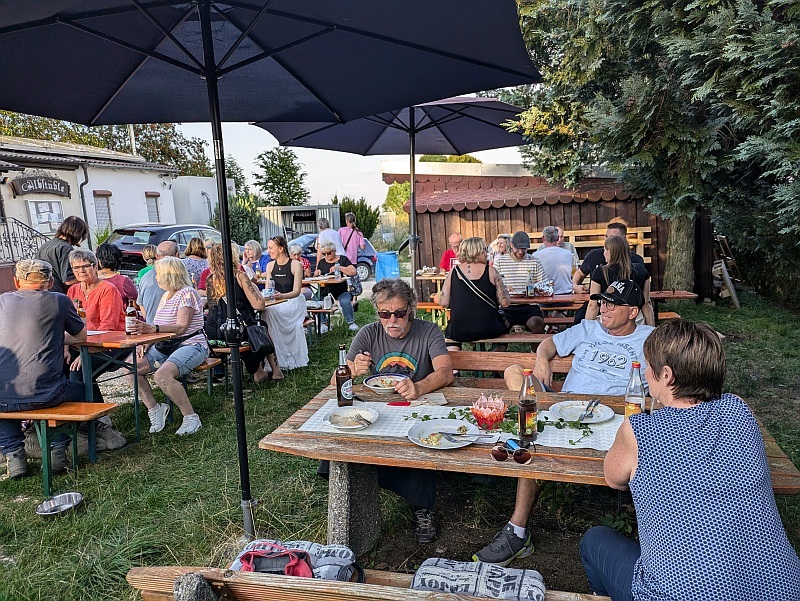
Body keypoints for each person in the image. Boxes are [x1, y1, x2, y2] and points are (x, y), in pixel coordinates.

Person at [581, 318, 800, 601]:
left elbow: (613, 479)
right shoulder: (739, 410)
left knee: (594, 540)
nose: (645, 373)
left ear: (666, 375)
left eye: (648, 365)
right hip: (783, 590)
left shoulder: (638, 430)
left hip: (677, 595)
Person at [475, 280, 654, 566]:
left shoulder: (650, 339)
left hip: (614, 419)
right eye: (602, 302)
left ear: (633, 312)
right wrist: (542, 360)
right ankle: (517, 530)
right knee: (514, 373)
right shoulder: (588, 328)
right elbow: (549, 344)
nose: (603, 309)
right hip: (563, 410)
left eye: (612, 304)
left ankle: (655, 543)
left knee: (531, 438)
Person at [323, 278, 454, 543]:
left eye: (399, 313)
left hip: (415, 408)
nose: (392, 320)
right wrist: (352, 371)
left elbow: (446, 372)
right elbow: (333, 383)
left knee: (421, 443)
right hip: (379, 411)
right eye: (385, 314)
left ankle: (421, 507)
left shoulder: (428, 331)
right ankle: (379, 484)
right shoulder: (368, 334)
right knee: (332, 454)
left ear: (410, 310)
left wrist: (419, 387)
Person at [0, 259, 86, 478]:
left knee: (4, 399)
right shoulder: (59, 300)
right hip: (46, 395)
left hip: (4, 396)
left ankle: (14, 454)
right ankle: (57, 447)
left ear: (17, 281)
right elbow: (81, 336)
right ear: (49, 282)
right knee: (81, 391)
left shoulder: (2, 301)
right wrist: (55, 338)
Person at [127, 257, 208, 435]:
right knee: (130, 368)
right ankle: (155, 408)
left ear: (169, 275)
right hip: (165, 344)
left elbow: (181, 327)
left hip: (191, 343)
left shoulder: (187, 293)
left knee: (162, 375)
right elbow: (160, 327)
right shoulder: (166, 295)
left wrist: (152, 329)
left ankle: (191, 417)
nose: (156, 278)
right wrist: (147, 342)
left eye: (158, 274)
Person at [205, 243, 279, 383]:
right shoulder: (239, 276)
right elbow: (259, 305)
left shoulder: (210, 280)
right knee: (260, 327)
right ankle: (267, 372)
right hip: (236, 332)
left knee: (253, 328)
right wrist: (254, 288)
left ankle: (259, 370)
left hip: (214, 334)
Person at [65, 249, 127, 403]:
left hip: (111, 343)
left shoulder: (108, 289)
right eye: (76, 267)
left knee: (79, 371)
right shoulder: (73, 290)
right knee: (56, 366)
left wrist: (86, 353)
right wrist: (65, 348)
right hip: (82, 344)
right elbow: (66, 324)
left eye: (85, 266)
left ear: (95, 266)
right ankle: (70, 414)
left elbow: (108, 327)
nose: (81, 271)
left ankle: (97, 415)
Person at [437, 236, 510, 350]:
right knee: (506, 324)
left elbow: (444, 302)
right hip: (489, 328)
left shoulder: (454, 272)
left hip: (460, 329)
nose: (486, 253)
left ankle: (455, 358)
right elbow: (505, 303)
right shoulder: (491, 271)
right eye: (484, 249)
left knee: (451, 332)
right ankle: (496, 354)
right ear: (478, 251)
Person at [581, 235, 655, 326]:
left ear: (609, 252)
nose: (603, 253)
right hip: (635, 320)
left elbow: (593, 305)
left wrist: (586, 329)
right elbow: (646, 304)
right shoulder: (641, 270)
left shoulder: (600, 272)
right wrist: (652, 330)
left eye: (605, 250)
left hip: (609, 320)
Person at [262, 236, 309, 371]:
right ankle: (275, 358)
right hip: (277, 301)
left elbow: (296, 291)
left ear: (281, 248)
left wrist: (282, 296)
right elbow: (268, 289)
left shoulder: (295, 265)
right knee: (266, 312)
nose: (269, 251)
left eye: (271, 248)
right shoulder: (270, 266)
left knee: (270, 313)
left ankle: (284, 358)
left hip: (293, 301)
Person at [491, 231, 546, 334]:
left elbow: (544, 283)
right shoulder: (500, 262)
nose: (520, 252)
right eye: (518, 248)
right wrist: (503, 288)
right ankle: (503, 343)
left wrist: (536, 288)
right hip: (507, 306)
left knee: (537, 323)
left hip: (529, 306)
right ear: (511, 245)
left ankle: (538, 345)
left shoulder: (534, 261)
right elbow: (492, 283)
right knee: (500, 324)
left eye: (524, 249)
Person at [572, 222, 644, 293]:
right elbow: (580, 273)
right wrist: (575, 286)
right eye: (606, 236)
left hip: (625, 298)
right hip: (597, 298)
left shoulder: (636, 261)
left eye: (612, 237)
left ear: (623, 238)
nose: (607, 240)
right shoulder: (594, 255)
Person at [34, 215, 89, 294]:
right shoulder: (65, 248)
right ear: (78, 233)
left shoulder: (45, 246)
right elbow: (68, 280)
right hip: (57, 294)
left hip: (41, 292)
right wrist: (89, 277)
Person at [314, 241, 359, 332]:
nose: (326, 255)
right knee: (315, 301)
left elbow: (353, 271)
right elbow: (317, 274)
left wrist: (339, 267)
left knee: (345, 301)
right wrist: (317, 273)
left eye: (329, 253)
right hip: (325, 290)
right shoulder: (322, 262)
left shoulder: (342, 259)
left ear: (334, 251)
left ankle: (351, 322)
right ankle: (324, 323)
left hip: (341, 290)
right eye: (324, 254)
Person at [137, 240, 178, 323]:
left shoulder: (145, 277)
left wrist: (150, 322)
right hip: (172, 328)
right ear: (177, 255)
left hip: (151, 326)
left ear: (157, 256)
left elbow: (141, 304)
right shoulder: (182, 277)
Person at [533, 226, 573, 295]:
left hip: (544, 297)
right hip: (566, 294)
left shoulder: (536, 256)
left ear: (543, 238)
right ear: (557, 238)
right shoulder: (568, 254)